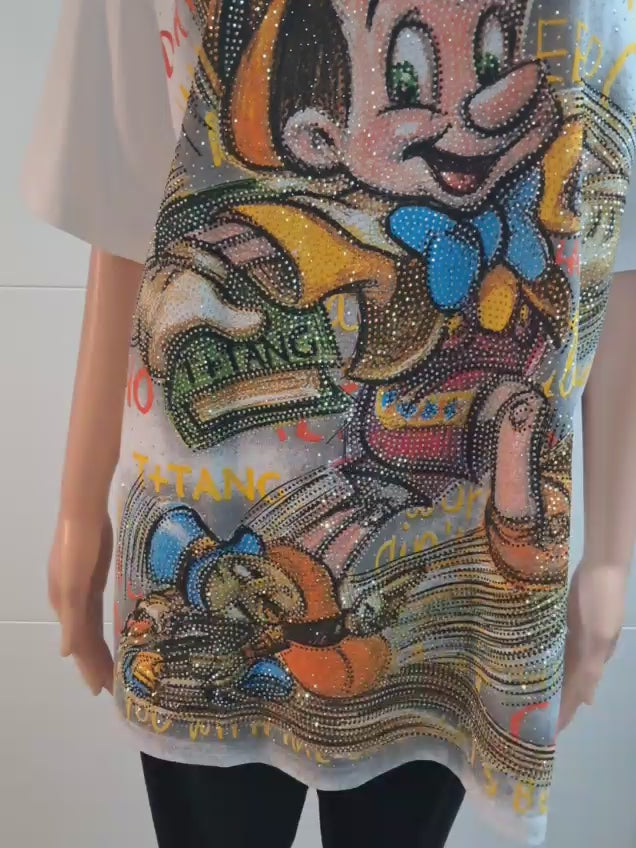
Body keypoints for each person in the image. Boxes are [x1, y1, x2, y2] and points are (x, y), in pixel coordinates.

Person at [22, 0, 636, 845]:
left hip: (463, 577)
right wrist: (77, 508)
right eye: (407, 74)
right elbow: (131, 189)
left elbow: (616, 230)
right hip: (219, 508)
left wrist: (609, 559)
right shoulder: (320, 235)